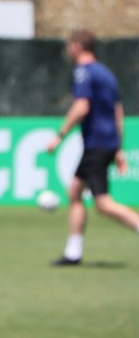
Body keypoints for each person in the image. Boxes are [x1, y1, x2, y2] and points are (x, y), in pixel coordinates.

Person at [46, 29, 139, 266]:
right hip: (106, 142)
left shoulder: (83, 72)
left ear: (78, 46)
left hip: (96, 143)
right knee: (75, 191)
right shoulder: (106, 74)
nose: (67, 49)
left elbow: (82, 106)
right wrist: (118, 148)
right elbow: (118, 112)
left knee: (103, 203)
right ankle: (73, 252)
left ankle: (75, 251)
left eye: (69, 45)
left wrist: (60, 135)